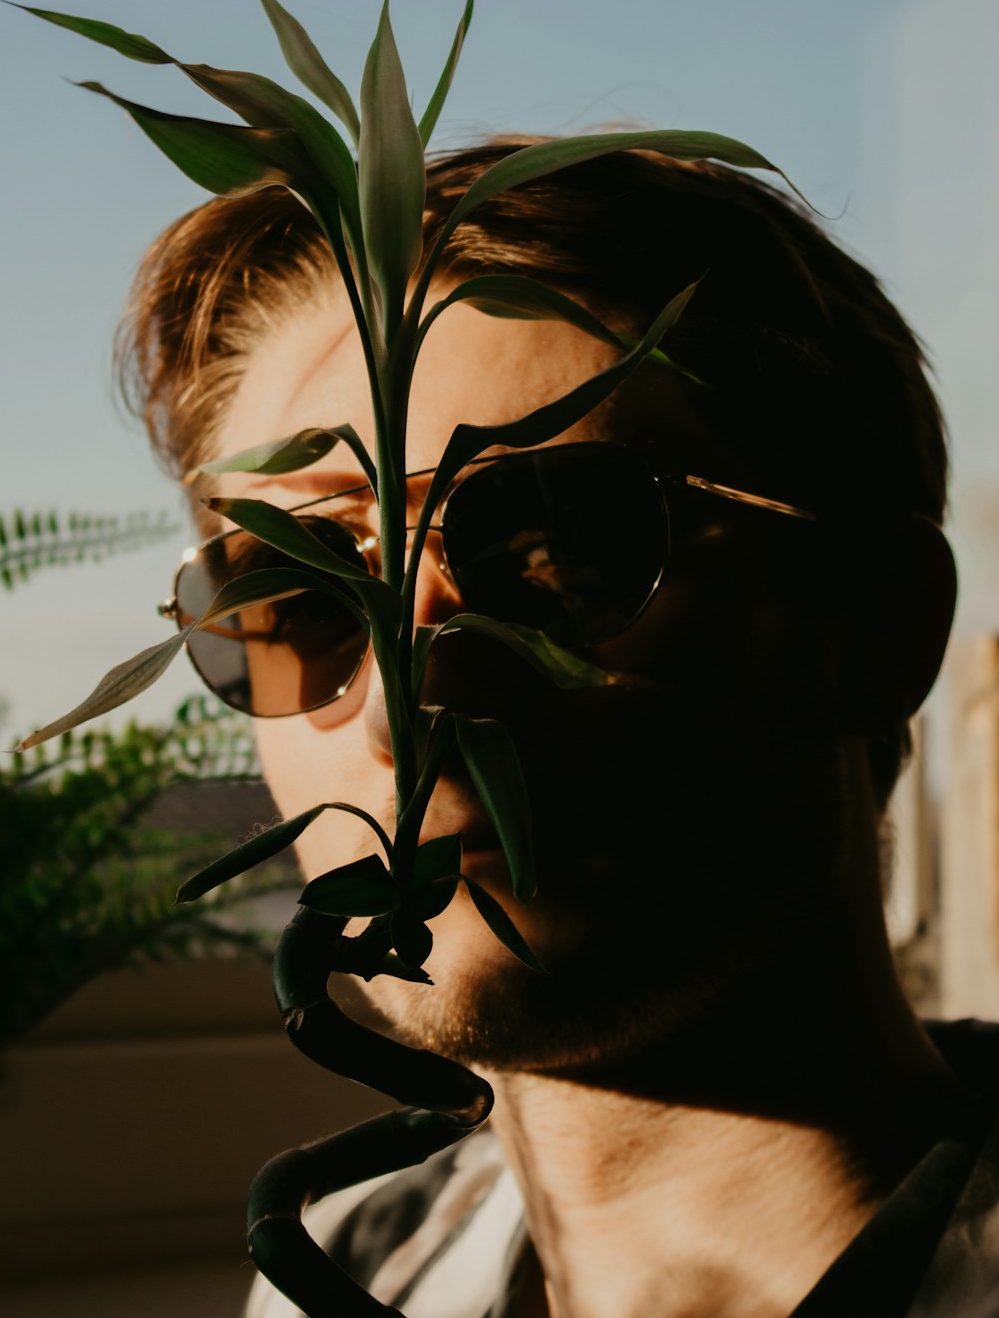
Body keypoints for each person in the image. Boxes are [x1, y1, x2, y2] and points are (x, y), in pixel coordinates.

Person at [119, 141, 999, 1317]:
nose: (404, 696)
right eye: (302, 598)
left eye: (551, 551)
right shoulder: (338, 1268)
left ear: (873, 625)